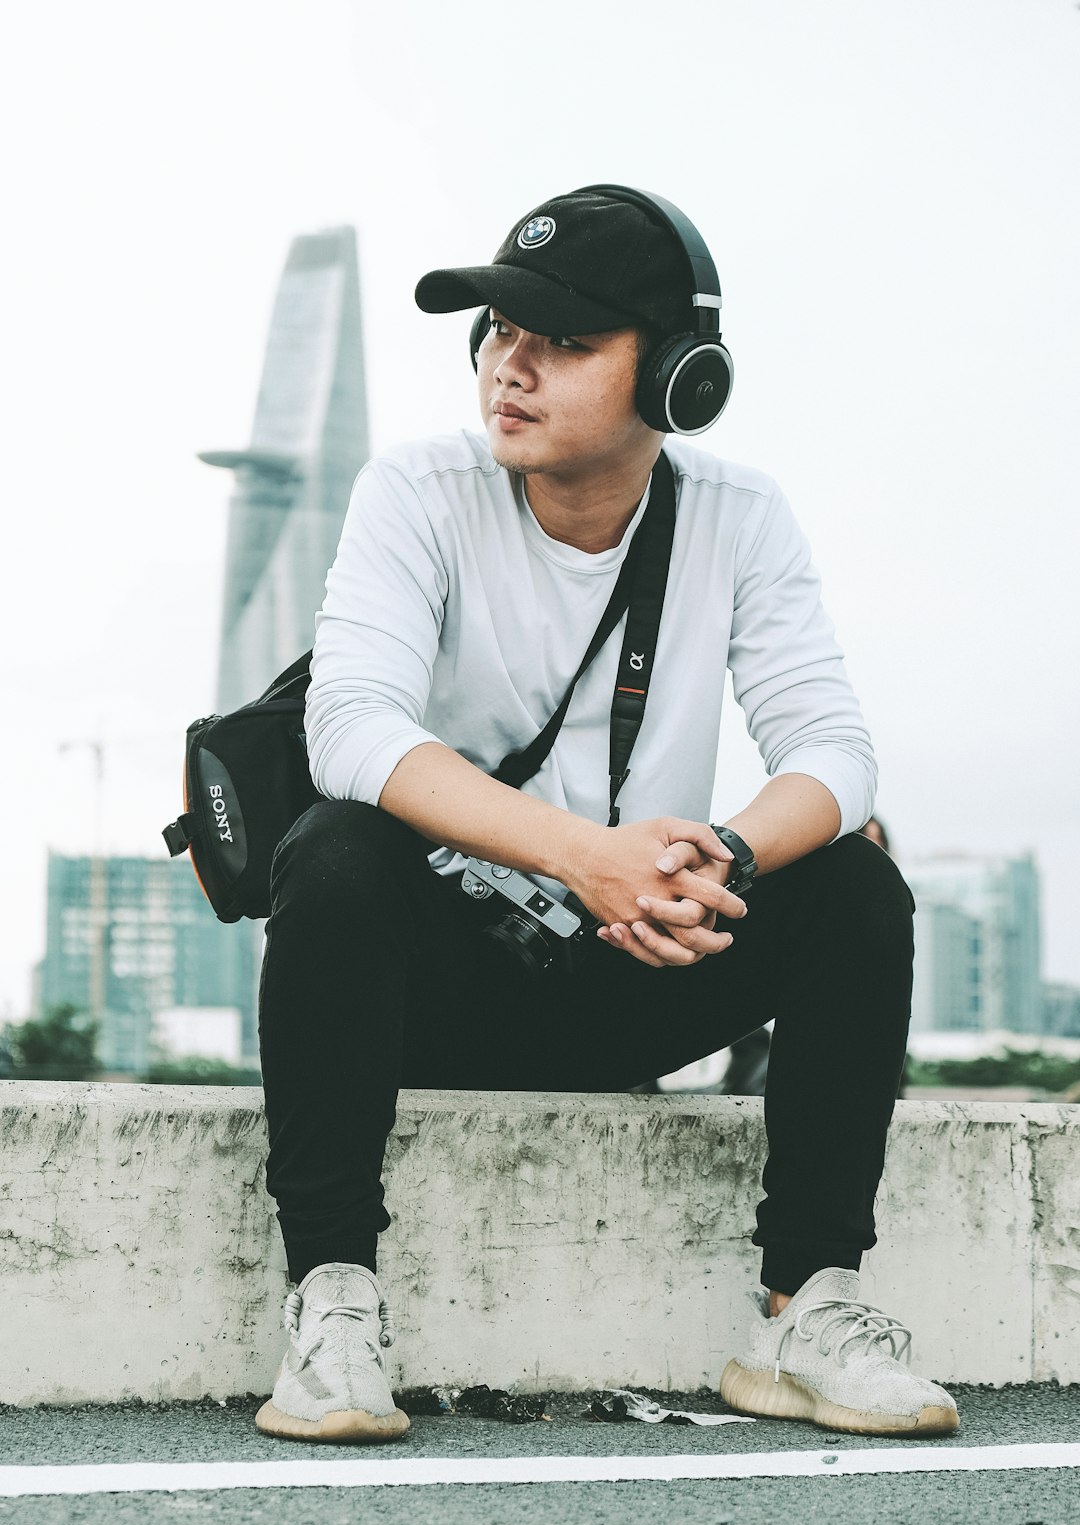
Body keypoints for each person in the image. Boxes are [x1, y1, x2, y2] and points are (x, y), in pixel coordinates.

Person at [255, 186, 958, 1444]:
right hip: (429, 992)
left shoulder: (740, 519)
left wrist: (722, 853)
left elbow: (837, 751)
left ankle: (808, 1311)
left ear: (679, 381)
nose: (507, 369)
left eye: (561, 341)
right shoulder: (416, 491)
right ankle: (333, 1307)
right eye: (495, 331)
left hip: (632, 975)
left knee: (855, 880)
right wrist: (588, 858)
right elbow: (351, 728)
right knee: (336, 850)